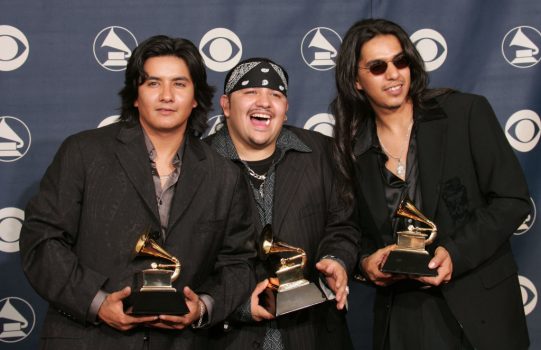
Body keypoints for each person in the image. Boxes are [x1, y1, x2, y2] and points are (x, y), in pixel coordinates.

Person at [19, 35, 256, 349]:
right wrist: (97, 302)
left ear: (196, 96)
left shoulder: (224, 175)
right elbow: (42, 240)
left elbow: (238, 262)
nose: (167, 96)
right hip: (88, 340)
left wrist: (202, 307)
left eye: (180, 84)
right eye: (153, 84)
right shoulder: (83, 153)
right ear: (135, 95)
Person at [331, 18, 531, 350]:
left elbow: (512, 200)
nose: (394, 73)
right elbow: (352, 232)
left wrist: (454, 254)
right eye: (378, 67)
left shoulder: (464, 113)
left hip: (481, 309)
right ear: (357, 82)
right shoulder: (352, 151)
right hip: (406, 318)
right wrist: (365, 264)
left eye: (400, 60)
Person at [206, 57, 359, 349]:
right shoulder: (199, 163)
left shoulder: (321, 152)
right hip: (228, 338)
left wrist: (336, 261)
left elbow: (343, 226)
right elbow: (190, 254)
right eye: (250, 92)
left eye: (276, 95)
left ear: (285, 110)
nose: (264, 102)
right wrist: (236, 305)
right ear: (225, 105)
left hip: (312, 334)